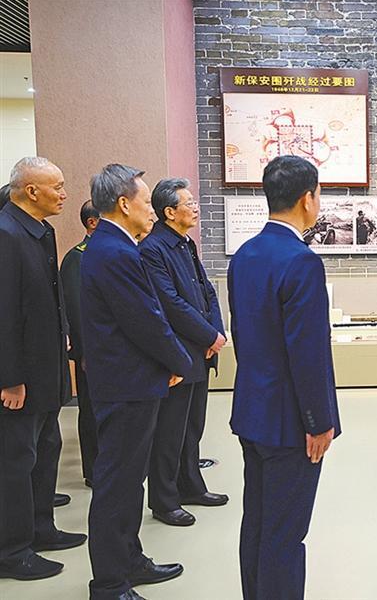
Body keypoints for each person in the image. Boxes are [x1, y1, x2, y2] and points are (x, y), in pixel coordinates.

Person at [228, 155, 341, 600]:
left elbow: (245, 335)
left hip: (252, 411)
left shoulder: (245, 255)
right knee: (285, 535)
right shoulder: (302, 262)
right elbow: (307, 354)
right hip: (290, 423)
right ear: (307, 199)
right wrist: (318, 421)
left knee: (257, 523)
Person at [82, 164, 193, 600]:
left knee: (129, 483)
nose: (151, 209)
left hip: (131, 382)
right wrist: (179, 360)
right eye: (147, 202)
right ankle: (110, 583)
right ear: (124, 204)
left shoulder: (115, 246)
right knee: (117, 486)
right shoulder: (115, 252)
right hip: (126, 386)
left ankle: (130, 560)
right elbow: (146, 321)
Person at [0, 157, 86, 581]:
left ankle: (41, 528)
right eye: (58, 186)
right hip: (22, 378)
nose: (64, 194)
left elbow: (51, 298)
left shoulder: (40, 230)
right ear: (31, 191)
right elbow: (4, 313)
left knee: (47, 448)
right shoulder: (6, 234)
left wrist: (64, 334)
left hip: (47, 369)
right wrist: (10, 378)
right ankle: (12, 552)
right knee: (16, 462)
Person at [139, 178, 228, 527]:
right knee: (169, 431)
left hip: (201, 350)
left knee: (192, 427)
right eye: (188, 203)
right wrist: (208, 334)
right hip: (177, 352)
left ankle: (191, 486)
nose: (195, 208)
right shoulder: (153, 249)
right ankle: (164, 501)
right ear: (169, 212)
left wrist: (215, 333)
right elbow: (170, 303)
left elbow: (207, 291)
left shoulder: (185, 243)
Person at [60, 200, 100, 487]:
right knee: (92, 412)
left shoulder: (114, 252)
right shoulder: (78, 257)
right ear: (92, 223)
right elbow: (76, 310)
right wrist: (84, 351)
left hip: (115, 353)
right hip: (92, 352)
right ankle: (94, 471)